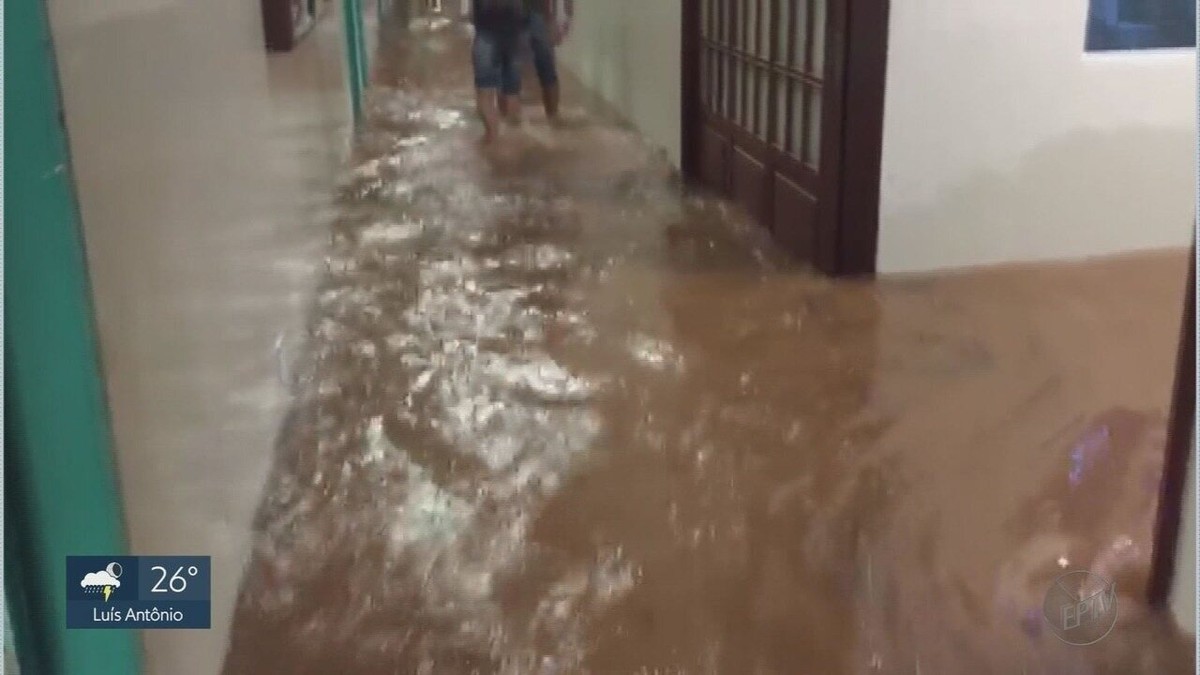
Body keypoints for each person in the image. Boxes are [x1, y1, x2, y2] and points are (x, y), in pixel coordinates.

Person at [470, 0, 530, 143]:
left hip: (491, 31)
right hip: (512, 31)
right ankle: (505, 143)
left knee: (486, 92)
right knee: (510, 94)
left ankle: (494, 141)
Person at [525, 0, 573, 122]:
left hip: (540, 14)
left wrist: (564, 19)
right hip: (509, 14)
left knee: (546, 65)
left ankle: (553, 116)